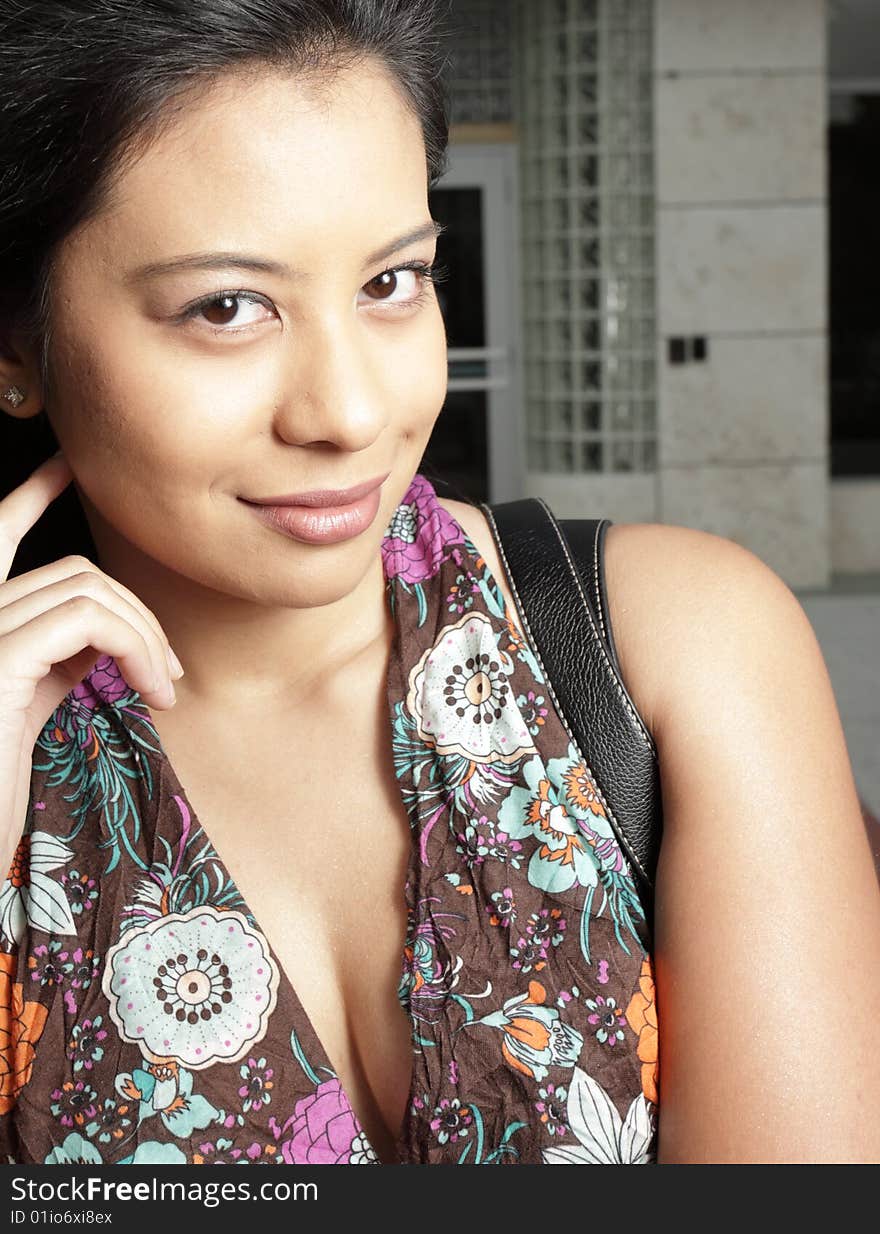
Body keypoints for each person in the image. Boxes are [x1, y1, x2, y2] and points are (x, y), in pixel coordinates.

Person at [0, 0, 878, 1168]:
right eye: (227, 306)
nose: (353, 413)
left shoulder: (678, 648)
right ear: (18, 343)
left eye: (391, 282)